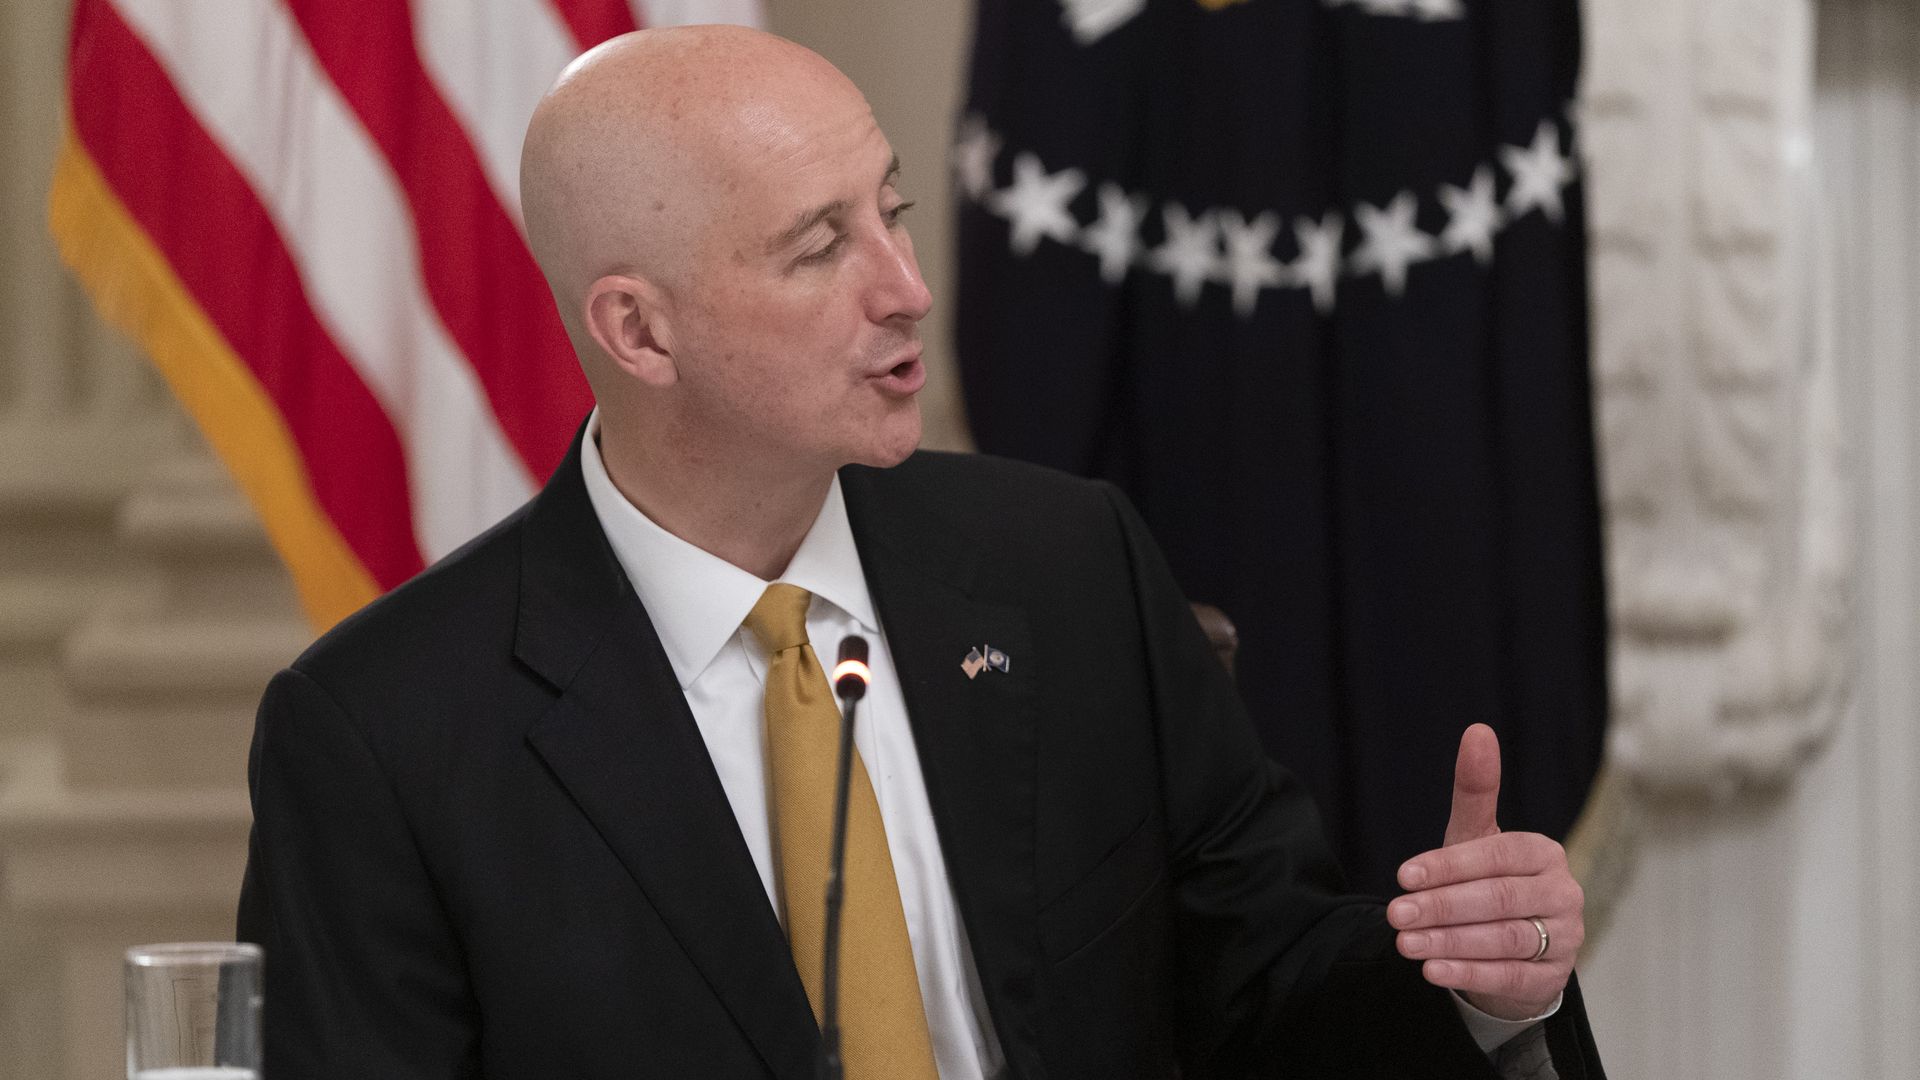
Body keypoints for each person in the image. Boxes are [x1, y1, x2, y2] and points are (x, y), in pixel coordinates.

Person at [236, 25, 1603, 1080]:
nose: (907, 286)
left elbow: (1263, 997)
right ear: (639, 333)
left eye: (889, 208)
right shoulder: (382, 737)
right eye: (821, 246)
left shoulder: (1066, 568)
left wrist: (1480, 983)